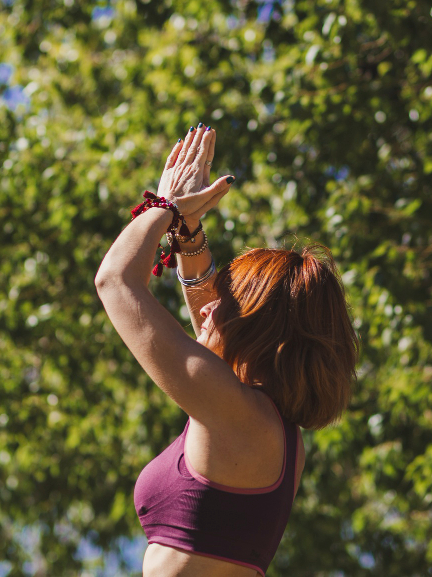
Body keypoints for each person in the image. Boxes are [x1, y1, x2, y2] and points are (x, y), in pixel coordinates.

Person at [95, 124, 358, 576]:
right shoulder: (268, 428)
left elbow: (115, 281)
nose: (210, 307)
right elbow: (213, 328)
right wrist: (189, 233)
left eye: (231, 305)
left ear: (257, 332)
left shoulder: (241, 419)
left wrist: (166, 207)